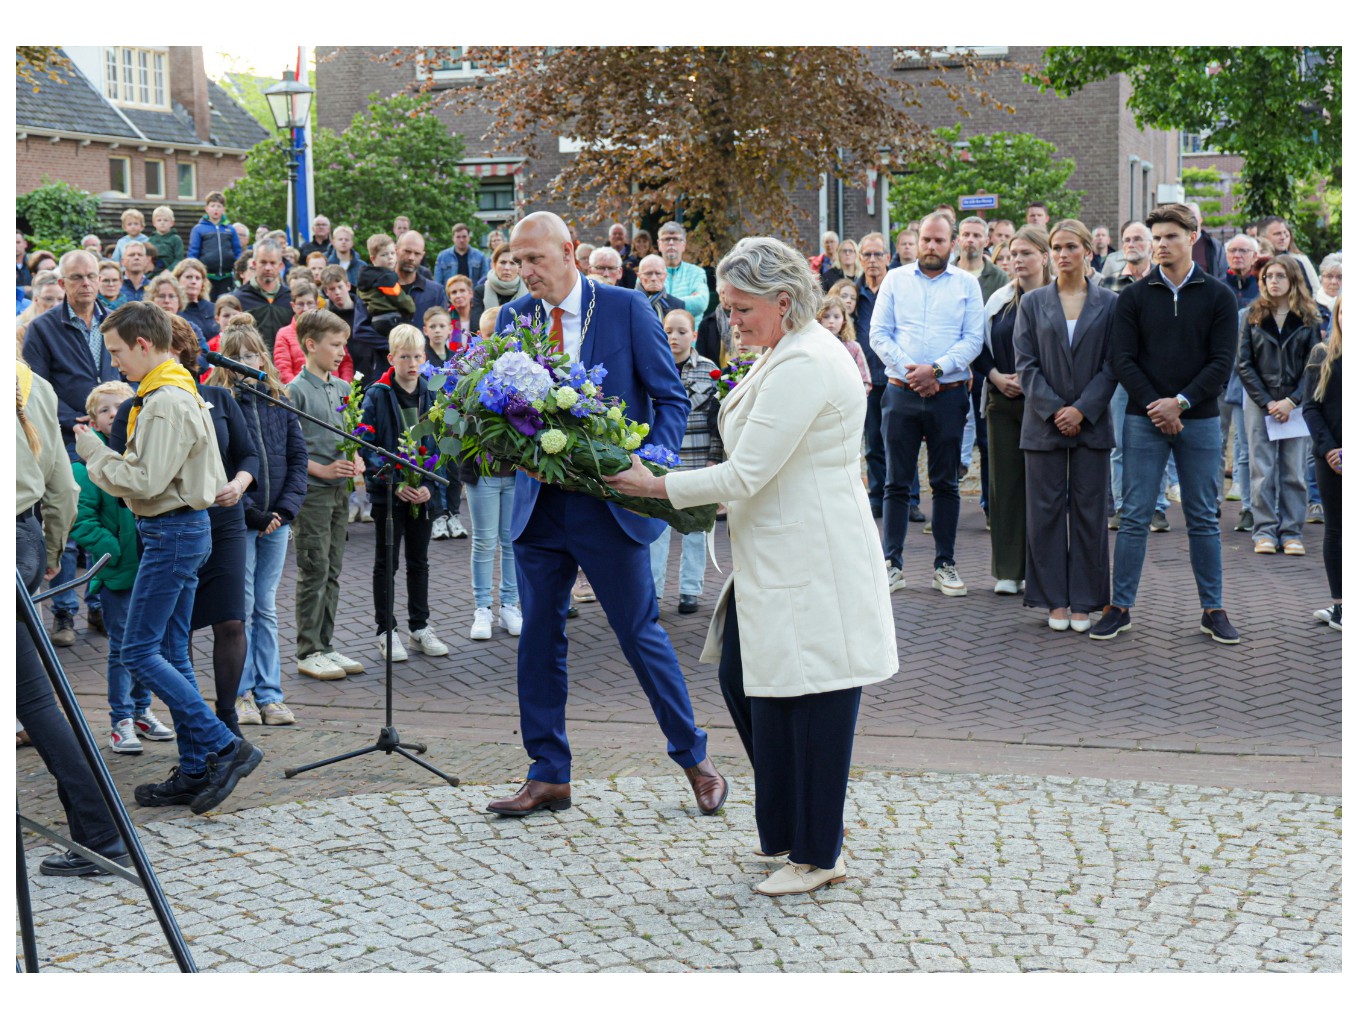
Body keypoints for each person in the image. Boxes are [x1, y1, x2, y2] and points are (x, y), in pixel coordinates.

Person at [604, 235, 897, 896]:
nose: (729, 320)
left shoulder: (805, 361)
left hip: (812, 557)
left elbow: (747, 472)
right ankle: (790, 833)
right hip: (777, 556)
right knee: (751, 682)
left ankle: (819, 852)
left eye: (741, 308)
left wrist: (652, 486)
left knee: (815, 697)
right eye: (727, 308)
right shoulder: (784, 351)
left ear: (784, 301)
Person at [485, 210, 726, 820]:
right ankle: (548, 775)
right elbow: (499, 410)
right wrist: (512, 446)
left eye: (535, 259)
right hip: (540, 509)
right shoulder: (514, 319)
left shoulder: (622, 307)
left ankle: (696, 760)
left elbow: (671, 396)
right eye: (517, 260)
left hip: (610, 507)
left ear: (569, 251)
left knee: (639, 632)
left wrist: (648, 466)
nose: (525, 271)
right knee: (538, 637)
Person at [73, 301, 264, 813]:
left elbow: (143, 480)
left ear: (142, 344)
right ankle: (198, 764)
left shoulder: (163, 400)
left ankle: (224, 746)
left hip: (171, 531)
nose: (115, 364)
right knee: (172, 652)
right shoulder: (173, 389)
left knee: (138, 651)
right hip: (181, 529)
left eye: (117, 352)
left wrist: (92, 452)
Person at [1097, 204, 1241, 644]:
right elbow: (1122, 359)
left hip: (1198, 421)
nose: (1160, 244)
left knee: (1202, 517)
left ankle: (1212, 609)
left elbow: (1221, 362)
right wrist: (1156, 405)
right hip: (1143, 420)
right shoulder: (1133, 297)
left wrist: (1180, 402)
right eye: (1155, 237)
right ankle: (1119, 607)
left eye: (1170, 237)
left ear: (1192, 237)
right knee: (1135, 515)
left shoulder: (1219, 296)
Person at [17, 348, 134, 875]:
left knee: (35, 699)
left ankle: (101, 833)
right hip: (23, 532)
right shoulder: (29, 382)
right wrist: (51, 549)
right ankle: (101, 831)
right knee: (35, 699)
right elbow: (60, 485)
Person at [1013, 220, 1119, 632]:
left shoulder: (1109, 303)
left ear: (1088, 252)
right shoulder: (1033, 303)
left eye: (1070, 246)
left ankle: (1086, 601)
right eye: (1056, 247)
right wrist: (1057, 409)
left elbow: (1113, 364)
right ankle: (1053, 599)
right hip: (1043, 425)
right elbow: (1025, 365)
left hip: (1091, 424)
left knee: (1090, 513)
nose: (1061, 254)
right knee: (1046, 514)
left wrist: (1082, 410)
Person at [871, 212, 984, 597]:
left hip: (948, 397)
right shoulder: (895, 279)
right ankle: (893, 563)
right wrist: (913, 372)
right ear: (916, 241)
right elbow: (878, 334)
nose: (931, 247)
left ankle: (945, 564)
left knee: (946, 483)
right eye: (926, 240)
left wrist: (935, 370)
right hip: (901, 392)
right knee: (896, 482)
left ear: (952, 243)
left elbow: (973, 340)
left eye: (939, 240)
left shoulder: (967, 285)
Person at [203, 319, 309, 727]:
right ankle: (242, 692)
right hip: (239, 522)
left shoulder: (278, 400)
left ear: (262, 357)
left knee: (266, 606)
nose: (247, 362)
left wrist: (284, 511)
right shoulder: (219, 404)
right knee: (241, 607)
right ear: (225, 362)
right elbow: (221, 465)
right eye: (238, 356)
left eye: (253, 355)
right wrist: (253, 513)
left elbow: (298, 458)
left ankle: (271, 694)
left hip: (277, 521)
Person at [22, 250, 120, 645]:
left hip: (113, 438)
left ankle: (98, 605)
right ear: (61, 283)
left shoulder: (115, 321)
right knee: (67, 525)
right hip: (65, 442)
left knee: (107, 523)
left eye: (91, 276)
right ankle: (64, 614)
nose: (86, 283)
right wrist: (71, 420)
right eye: (76, 277)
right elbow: (35, 387)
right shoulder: (43, 329)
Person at [71, 380, 174, 754]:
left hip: (151, 567)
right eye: (104, 410)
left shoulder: (144, 455)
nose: (114, 413)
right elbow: (81, 520)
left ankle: (142, 709)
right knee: (120, 648)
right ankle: (121, 720)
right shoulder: (85, 471)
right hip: (117, 574)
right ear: (94, 422)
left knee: (147, 645)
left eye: (121, 405)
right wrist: (112, 552)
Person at [358, 325, 450, 661]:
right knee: (387, 563)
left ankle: (419, 626)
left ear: (425, 358)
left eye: (416, 356)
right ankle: (386, 630)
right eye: (404, 356)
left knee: (419, 562)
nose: (411, 363)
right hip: (389, 496)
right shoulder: (377, 395)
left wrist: (429, 483)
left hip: (422, 495)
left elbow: (442, 446)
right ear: (391, 358)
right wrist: (393, 483)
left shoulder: (432, 394)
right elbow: (365, 444)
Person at [288, 308, 367, 680]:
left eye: (344, 345)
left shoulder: (344, 388)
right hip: (314, 494)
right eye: (335, 345)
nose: (341, 352)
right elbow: (289, 449)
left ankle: (327, 644)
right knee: (313, 568)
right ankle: (308, 649)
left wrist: (358, 460)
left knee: (333, 569)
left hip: (340, 492)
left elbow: (352, 436)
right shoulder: (295, 391)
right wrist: (320, 469)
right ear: (310, 344)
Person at [975, 224, 1050, 596]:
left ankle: (1044, 568)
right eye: (1013, 255)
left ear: (1045, 257)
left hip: (1048, 405)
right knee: (1004, 486)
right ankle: (1008, 569)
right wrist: (996, 376)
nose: (1018, 261)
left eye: (1026, 254)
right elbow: (978, 345)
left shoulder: (1059, 298)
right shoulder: (999, 299)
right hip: (1003, 400)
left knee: (1044, 488)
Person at [1238, 255, 1324, 557]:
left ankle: (1291, 532)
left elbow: (1314, 365)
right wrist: (1268, 401)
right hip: (1260, 402)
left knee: (1294, 471)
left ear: (1293, 280)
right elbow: (1244, 364)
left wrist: (1291, 400)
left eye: (1279, 276)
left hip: (1296, 404)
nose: (1273, 281)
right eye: (1268, 276)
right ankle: (1263, 531)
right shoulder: (1252, 314)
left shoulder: (1309, 318)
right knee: (1262, 468)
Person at [1102, 220, 1175, 533]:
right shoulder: (1107, 282)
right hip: (1119, 375)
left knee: (1158, 440)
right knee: (1118, 443)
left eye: (1138, 239)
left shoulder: (1163, 282)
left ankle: (1157, 508)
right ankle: (1121, 506)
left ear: (1151, 245)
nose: (1131, 244)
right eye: (1126, 239)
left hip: (1155, 375)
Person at [650, 308, 723, 614]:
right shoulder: (653, 366)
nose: (674, 337)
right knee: (656, 531)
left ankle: (690, 590)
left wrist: (714, 459)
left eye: (682, 331)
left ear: (694, 336)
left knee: (696, 529)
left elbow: (717, 419)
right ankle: (652, 591)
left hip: (696, 458)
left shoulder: (709, 370)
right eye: (668, 331)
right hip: (662, 462)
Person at [350, 231, 445, 385]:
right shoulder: (372, 288)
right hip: (385, 372)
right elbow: (360, 330)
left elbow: (441, 331)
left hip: (425, 375)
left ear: (423, 255)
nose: (411, 257)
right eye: (407, 251)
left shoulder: (435, 292)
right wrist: (399, 348)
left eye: (417, 253)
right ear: (396, 249)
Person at [1302, 296, 1341, 631]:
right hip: (1331, 460)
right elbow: (1311, 408)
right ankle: (1341, 605)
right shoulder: (1322, 354)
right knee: (1337, 529)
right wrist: (1330, 450)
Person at [851, 233, 894, 518]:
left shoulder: (897, 288)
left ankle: (909, 499)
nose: (873, 261)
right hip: (866, 381)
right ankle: (878, 497)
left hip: (896, 377)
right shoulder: (853, 294)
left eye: (878, 255)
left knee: (901, 441)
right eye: (867, 255)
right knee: (874, 443)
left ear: (888, 258)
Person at [272, 280, 355, 384]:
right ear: (293, 306)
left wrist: (343, 387)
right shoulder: (284, 334)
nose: (305, 308)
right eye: (300, 304)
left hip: (333, 392)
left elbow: (345, 362)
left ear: (316, 304)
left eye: (310, 303)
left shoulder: (330, 330)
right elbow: (283, 369)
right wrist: (300, 392)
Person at [232, 239, 293, 346]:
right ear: (254, 264)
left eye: (273, 263)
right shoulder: (239, 298)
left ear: (280, 266)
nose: (268, 268)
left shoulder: (290, 298)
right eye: (263, 262)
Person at [187, 192, 242, 300]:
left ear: (223, 209)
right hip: (207, 277)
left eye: (219, 206)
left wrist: (239, 268)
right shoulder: (199, 229)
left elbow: (237, 251)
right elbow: (193, 252)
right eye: (212, 206)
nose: (215, 209)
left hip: (226, 277)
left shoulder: (230, 229)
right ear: (207, 208)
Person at [656, 221, 710, 318]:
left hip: (689, 332)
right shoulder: (649, 272)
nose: (671, 243)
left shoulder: (697, 273)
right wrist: (685, 302)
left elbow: (701, 303)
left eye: (676, 239)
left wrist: (660, 302)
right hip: (658, 332)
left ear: (683, 245)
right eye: (667, 239)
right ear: (659, 244)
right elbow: (642, 305)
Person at [818, 296, 871, 391]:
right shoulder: (813, 346)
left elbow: (865, 380)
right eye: (826, 316)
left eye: (836, 317)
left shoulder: (853, 347)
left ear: (844, 321)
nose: (831, 321)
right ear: (818, 319)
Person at [1259, 216, 1321, 294]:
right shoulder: (1256, 260)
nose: (1283, 237)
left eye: (1285, 233)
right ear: (1263, 237)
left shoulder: (1300, 260)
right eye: (1277, 234)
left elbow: (1315, 290)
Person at [173, 258, 220, 344]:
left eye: (198, 278)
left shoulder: (214, 308)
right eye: (189, 277)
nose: (193, 281)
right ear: (177, 280)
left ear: (203, 283)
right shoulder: (174, 310)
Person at [479, 243, 529, 323]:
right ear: (494, 265)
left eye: (512, 263)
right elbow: (475, 326)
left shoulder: (529, 291)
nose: (507, 268)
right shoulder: (481, 291)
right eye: (502, 262)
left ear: (519, 267)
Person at [435, 222, 489, 291]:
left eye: (464, 237)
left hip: (473, 297)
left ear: (469, 238)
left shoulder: (480, 256)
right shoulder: (442, 257)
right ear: (453, 238)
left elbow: (484, 280)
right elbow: (438, 282)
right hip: (449, 298)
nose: (461, 240)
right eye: (458, 237)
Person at [636, 253, 686, 322]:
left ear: (665, 275)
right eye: (648, 273)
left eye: (658, 273)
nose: (653, 278)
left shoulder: (677, 305)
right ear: (639, 276)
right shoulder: (628, 303)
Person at [326, 223, 365, 289]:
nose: (343, 242)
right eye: (340, 239)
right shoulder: (327, 264)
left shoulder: (362, 266)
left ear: (352, 243)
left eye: (347, 240)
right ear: (333, 242)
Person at [149, 206, 184, 273]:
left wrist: (169, 270)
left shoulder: (176, 239)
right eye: (159, 220)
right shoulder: (151, 240)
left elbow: (179, 259)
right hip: (153, 273)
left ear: (172, 223)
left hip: (171, 273)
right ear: (154, 223)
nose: (162, 222)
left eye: (165, 220)